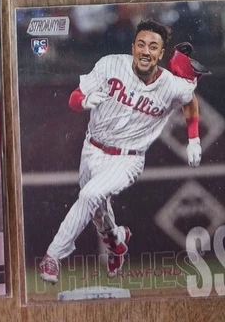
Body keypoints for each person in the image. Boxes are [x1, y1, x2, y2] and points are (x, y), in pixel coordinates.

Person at [38, 21, 206, 284]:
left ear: (161, 53)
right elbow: (74, 97)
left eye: (153, 47)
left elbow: (190, 99)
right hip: (91, 149)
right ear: (133, 47)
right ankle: (115, 241)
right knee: (96, 209)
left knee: (90, 195)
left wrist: (194, 139)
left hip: (128, 158)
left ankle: (53, 256)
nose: (145, 51)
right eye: (141, 44)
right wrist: (84, 101)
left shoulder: (172, 84)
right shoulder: (110, 65)